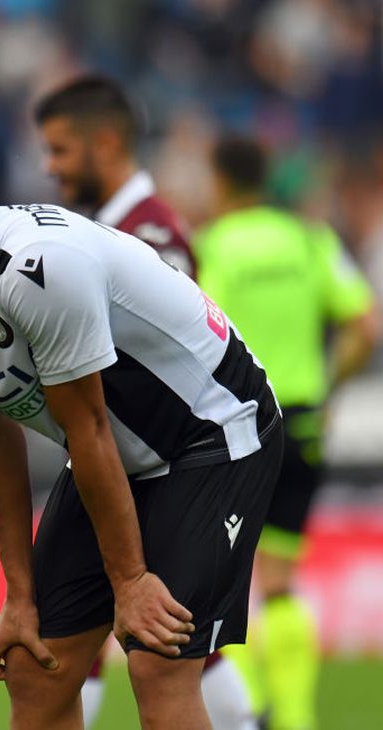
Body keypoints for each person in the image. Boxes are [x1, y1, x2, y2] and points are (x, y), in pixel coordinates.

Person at [0, 203, 282, 730]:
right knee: (35, 665)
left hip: (212, 434)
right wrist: (19, 598)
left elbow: (88, 430)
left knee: (158, 661)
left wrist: (129, 580)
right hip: (117, 454)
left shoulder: (39, 271)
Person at [0, 74, 252, 728]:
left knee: (157, 647)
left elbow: (149, 369)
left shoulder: (151, 232)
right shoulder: (81, 230)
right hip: (113, 450)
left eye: (59, 151)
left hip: (187, 449)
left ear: (105, 143)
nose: (48, 169)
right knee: (93, 648)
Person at [194, 135, 379, 730]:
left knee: (218, 575)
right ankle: (296, 718)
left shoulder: (213, 246)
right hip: (303, 423)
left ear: (220, 181)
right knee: (281, 577)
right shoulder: (310, 239)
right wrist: (327, 387)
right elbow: (364, 326)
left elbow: (196, 333)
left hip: (239, 425)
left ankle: (247, 711)